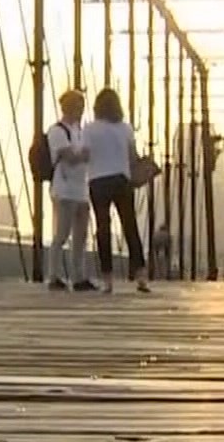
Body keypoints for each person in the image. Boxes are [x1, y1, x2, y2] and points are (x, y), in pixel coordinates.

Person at [84, 87, 149, 294]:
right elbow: (132, 157)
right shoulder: (126, 129)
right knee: (130, 226)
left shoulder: (90, 129)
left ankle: (107, 279)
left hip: (98, 180)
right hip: (122, 180)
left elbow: (86, 154)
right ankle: (141, 276)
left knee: (103, 228)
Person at [45, 89, 95, 291]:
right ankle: (54, 275)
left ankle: (78, 276)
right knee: (62, 234)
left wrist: (82, 154)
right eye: (78, 107)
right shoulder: (57, 131)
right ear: (69, 108)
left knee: (81, 236)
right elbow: (70, 157)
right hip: (64, 189)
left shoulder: (79, 132)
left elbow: (82, 155)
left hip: (81, 190)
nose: (81, 111)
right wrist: (84, 154)